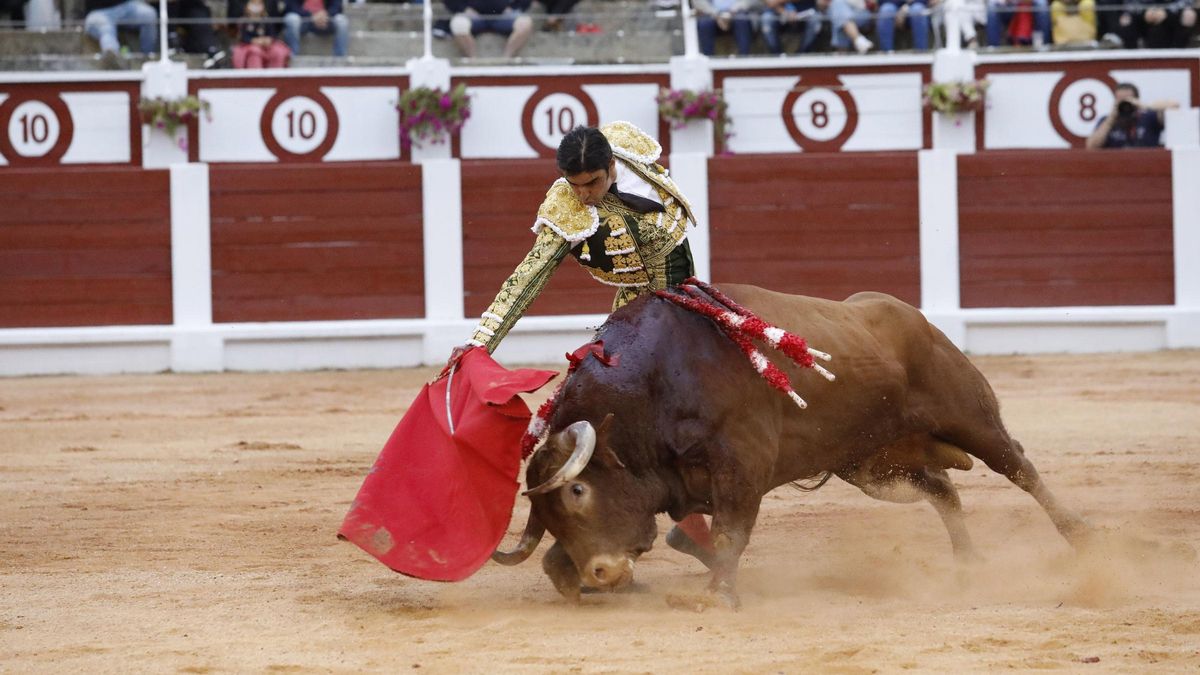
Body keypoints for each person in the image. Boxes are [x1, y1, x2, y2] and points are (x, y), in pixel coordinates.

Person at [446, 121, 713, 561]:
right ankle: (629, 525)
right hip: (639, 318)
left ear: (612, 165)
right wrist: (480, 343)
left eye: (592, 183)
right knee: (654, 419)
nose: (584, 194)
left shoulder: (629, 147)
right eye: (575, 185)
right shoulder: (567, 209)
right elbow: (526, 279)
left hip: (689, 301)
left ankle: (694, 523)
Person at [1085, 82, 1179, 149]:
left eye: (1128, 100)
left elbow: (1175, 105)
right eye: (1120, 100)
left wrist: (1144, 106)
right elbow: (1092, 146)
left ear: (1136, 99)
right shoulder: (1107, 121)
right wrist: (1111, 118)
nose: (1125, 104)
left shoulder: (1148, 117)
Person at [445, 0, 535, 58]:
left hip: (505, 16)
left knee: (525, 23)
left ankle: (507, 59)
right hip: (472, 16)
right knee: (458, 24)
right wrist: (464, 9)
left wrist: (514, 8)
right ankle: (472, 60)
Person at [84, 0, 158, 66]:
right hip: (98, 12)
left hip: (125, 6)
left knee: (149, 14)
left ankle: (147, 58)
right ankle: (112, 57)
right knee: (106, 28)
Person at [230, 0, 291, 68]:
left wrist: (268, 40)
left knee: (277, 51)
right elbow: (243, 37)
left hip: (267, 46)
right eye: (253, 4)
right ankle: (256, 76)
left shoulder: (267, 20)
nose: (256, 6)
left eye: (259, 4)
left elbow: (272, 34)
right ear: (247, 6)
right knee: (254, 51)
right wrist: (253, 41)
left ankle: (275, 75)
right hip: (249, 46)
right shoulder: (244, 21)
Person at [282, 0, 349, 57]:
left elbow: (337, 6)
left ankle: (340, 59)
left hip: (325, 20)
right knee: (291, 19)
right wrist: (311, 16)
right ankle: (292, 57)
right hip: (303, 20)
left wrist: (326, 14)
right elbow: (291, 6)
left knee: (342, 21)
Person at [694, 0, 761, 56]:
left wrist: (732, 11)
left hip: (737, 12)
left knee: (742, 20)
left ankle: (744, 58)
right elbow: (699, 2)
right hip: (711, 14)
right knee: (704, 24)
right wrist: (717, 14)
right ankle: (708, 59)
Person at [985, 0, 1050, 46]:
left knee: (1042, 4)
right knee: (992, 7)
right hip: (1008, 5)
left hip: (1029, 4)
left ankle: (1044, 46)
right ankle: (993, 48)